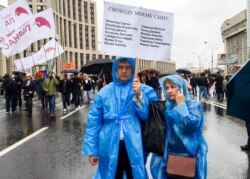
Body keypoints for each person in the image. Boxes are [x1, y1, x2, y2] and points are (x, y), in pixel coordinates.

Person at [82, 57, 158, 178]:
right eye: (120, 67)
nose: (124, 71)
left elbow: (147, 117)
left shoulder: (142, 90)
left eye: (127, 67)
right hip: (109, 142)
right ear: (115, 69)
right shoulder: (104, 93)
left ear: (132, 69)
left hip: (134, 142)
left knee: (134, 173)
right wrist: (92, 151)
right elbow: (94, 122)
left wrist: (139, 95)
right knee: (112, 174)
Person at [150, 75, 208, 179]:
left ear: (181, 88)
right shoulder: (168, 106)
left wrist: (181, 105)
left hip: (189, 154)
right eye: (166, 88)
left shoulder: (194, 105)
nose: (169, 91)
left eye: (173, 87)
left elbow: (190, 126)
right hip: (170, 154)